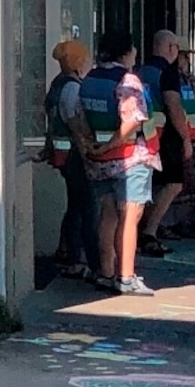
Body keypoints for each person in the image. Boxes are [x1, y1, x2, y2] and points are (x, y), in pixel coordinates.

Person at [73, 29, 153, 294]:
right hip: (129, 158)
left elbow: (79, 117)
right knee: (130, 216)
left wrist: (91, 146)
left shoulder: (90, 79)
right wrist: (111, 144)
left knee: (106, 217)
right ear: (128, 51)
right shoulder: (128, 80)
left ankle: (105, 272)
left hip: (98, 161)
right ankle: (127, 276)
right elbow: (132, 121)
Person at [43, 37, 98, 282]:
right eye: (84, 58)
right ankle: (86, 260)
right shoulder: (73, 88)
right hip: (74, 155)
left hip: (61, 154)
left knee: (75, 206)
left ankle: (67, 252)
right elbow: (75, 122)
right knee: (86, 208)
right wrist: (88, 149)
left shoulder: (57, 84)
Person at [138, 29, 195, 250]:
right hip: (165, 138)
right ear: (172, 49)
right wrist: (186, 139)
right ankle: (149, 231)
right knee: (173, 183)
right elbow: (173, 105)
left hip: (144, 135)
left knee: (151, 183)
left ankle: (144, 229)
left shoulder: (142, 70)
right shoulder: (168, 72)